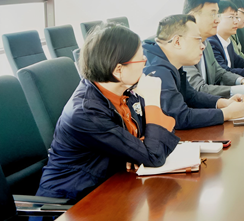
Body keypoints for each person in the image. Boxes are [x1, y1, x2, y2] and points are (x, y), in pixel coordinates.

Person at [36, 23, 179, 201]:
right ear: (118, 70)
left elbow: (155, 140)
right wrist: (152, 100)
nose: (145, 63)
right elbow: (154, 155)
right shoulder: (87, 113)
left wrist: (138, 150)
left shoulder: (125, 91)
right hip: (72, 202)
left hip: (111, 185)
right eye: (141, 59)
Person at [143, 14, 244, 129]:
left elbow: (190, 96)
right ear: (177, 42)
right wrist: (226, 113)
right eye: (198, 40)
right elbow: (179, 117)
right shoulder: (157, 70)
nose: (203, 46)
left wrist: (223, 103)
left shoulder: (170, 61)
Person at [181, 0, 244, 98]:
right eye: (212, 14)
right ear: (193, 17)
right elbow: (199, 89)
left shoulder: (205, 43)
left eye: (217, 15)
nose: (217, 20)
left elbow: (220, 73)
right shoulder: (182, 47)